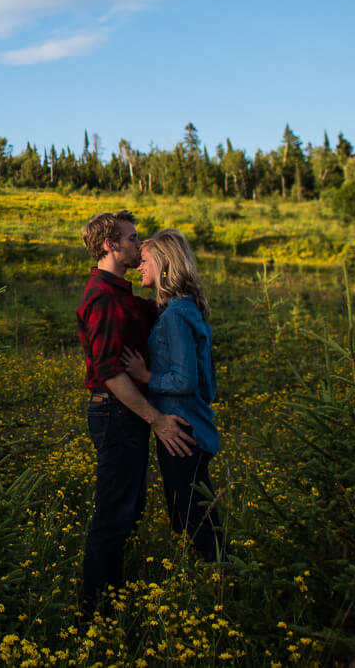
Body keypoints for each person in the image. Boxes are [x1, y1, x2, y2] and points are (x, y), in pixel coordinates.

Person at [76, 210, 194, 617]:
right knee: (113, 516)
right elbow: (109, 371)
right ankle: (95, 615)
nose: (137, 245)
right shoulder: (103, 298)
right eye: (131, 238)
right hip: (116, 414)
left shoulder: (122, 295)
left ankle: (110, 603)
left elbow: (162, 312)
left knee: (127, 511)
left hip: (124, 416)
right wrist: (156, 419)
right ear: (110, 245)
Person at [122, 228, 228, 566]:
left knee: (195, 521)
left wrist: (145, 377)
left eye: (144, 261)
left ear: (165, 261)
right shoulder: (187, 309)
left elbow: (184, 379)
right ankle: (214, 580)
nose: (139, 266)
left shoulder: (176, 316)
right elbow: (207, 387)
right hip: (193, 428)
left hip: (182, 433)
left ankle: (228, 582)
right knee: (190, 515)